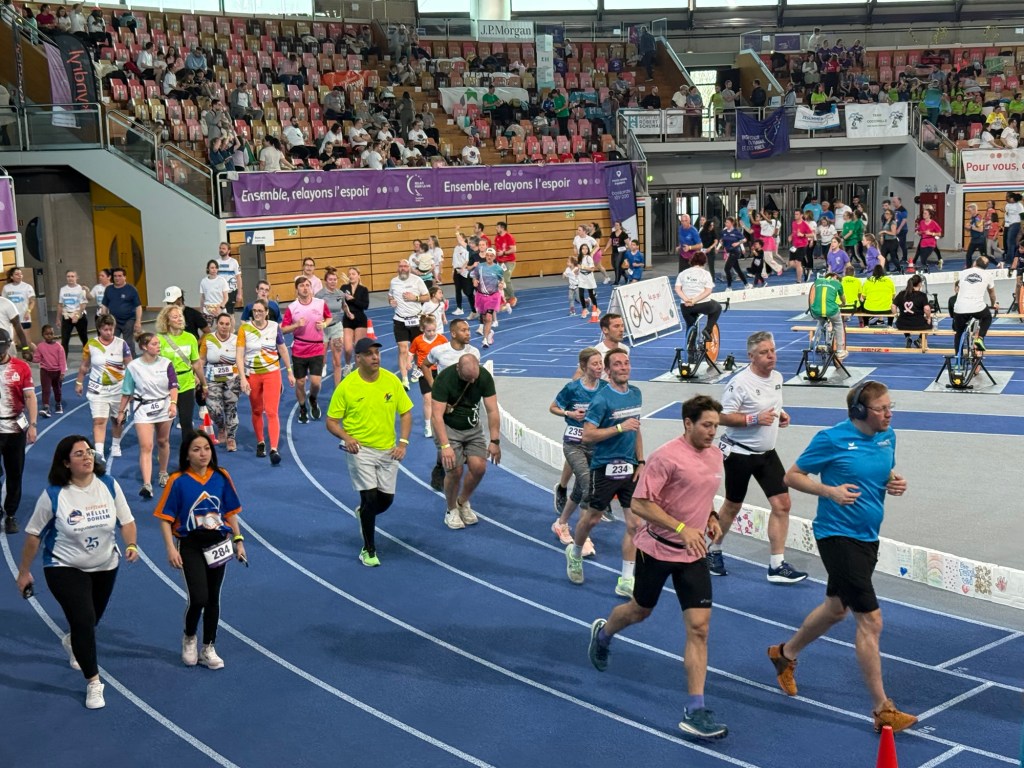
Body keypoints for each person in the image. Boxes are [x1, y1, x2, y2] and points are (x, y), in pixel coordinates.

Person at [768, 380, 917, 733]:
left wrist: (894, 481)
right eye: (881, 408)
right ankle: (882, 709)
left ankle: (784, 655)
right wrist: (828, 491)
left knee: (836, 609)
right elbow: (792, 476)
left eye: (890, 406)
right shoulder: (831, 439)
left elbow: (881, 470)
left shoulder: (887, 437)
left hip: (867, 536)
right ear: (860, 411)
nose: (889, 414)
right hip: (836, 536)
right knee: (871, 620)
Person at [587, 395, 727, 739]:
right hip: (657, 550)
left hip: (692, 553)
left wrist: (710, 516)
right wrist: (681, 527)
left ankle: (695, 709)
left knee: (699, 628)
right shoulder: (666, 457)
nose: (712, 432)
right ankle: (604, 634)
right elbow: (640, 504)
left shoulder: (715, 455)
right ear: (688, 423)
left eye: (716, 426)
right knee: (639, 611)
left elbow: (703, 492)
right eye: (706, 425)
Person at [16, 435, 138, 710]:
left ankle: (73, 641)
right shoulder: (54, 495)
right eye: (79, 453)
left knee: (91, 621)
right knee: (83, 620)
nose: (86, 457)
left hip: (105, 565)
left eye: (89, 452)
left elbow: (127, 521)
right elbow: (34, 535)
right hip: (63, 566)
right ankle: (94, 681)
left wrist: (131, 544)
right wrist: (24, 572)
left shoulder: (108, 485)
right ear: (65, 463)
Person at [707, 331, 808, 583]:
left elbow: (770, 404)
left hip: (767, 454)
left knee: (782, 504)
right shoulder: (740, 383)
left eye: (772, 350)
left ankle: (776, 565)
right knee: (732, 506)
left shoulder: (777, 377)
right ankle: (713, 550)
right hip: (739, 454)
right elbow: (721, 417)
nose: (771, 356)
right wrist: (754, 419)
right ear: (751, 356)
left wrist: (781, 413)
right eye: (764, 352)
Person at [155, 431, 244, 670]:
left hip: (218, 543)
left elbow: (230, 512)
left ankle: (209, 647)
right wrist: (171, 549)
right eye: (196, 449)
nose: (203, 454)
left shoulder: (221, 476)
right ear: (187, 454)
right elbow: (165, 518)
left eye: (206, 448)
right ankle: (189, 636)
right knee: (198, 597)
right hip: (191, 545)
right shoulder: (178, 481)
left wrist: (238, 540)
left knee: (213, 597)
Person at [326, 337, 413, 566]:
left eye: (377, 353)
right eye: (369, 354)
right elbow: (331, 421)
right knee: (370, 497)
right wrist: (347, 438)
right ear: (358, 358)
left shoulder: (391, 381)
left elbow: (406, 412)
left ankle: (364, 512)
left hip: (388, 450)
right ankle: (369, 549)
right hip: (360, 450)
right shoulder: (347, 386)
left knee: (385, 500)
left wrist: (403, 443)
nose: (375, 357)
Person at [564, 348, 643, 597]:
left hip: (630, 467)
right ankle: (575, 552)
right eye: (617, 364)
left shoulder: (636, 393)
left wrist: (641, 460)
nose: (623, 367)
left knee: (635, 523)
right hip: (604, 467)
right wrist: (619, 428)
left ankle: (627, 579)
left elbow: (636, 429)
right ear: (608, 371)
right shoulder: (601, 399)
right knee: (592, 519)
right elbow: (588, 435)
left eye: (626, 363)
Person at [430, 354, 500, 531]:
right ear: (458, 369)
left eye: (474, 378)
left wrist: (494, 440)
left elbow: (492, 410)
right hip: (449, 428)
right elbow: (436, 416)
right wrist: (445, 446)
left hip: (472, 428)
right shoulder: (444, 379)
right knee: (455, 470)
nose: (472, 381)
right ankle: (451, 509)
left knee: (479, 467)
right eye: (468, 378)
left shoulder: (483, 377)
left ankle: (462, 502)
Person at [549, 348, 605, 556]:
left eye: (601, 363)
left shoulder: (606, 388)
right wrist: (570, 413)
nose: (599, 367)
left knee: (580, 490)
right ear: (583, 366)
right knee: (588, 484)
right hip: (574, 443)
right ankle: (584, 538)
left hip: (595, 445)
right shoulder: (572, 388)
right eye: (595, 364)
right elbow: (553, 407)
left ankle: (561, 523)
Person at [119, 332, 178, 500]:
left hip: (164, 407)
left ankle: (163, 472)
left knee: (163, 441)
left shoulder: (167, 363)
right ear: (144, 347)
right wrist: (121, 411)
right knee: (146, 446)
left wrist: (173, 404)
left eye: (159, 343)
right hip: (143, 409)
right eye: (154, 344)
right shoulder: (133, 367)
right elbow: (127, 391)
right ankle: (146, 484)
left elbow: (173, 386)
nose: (159, 346)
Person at [236, 299, 294, 465]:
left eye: (260, 311)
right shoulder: (244, 329)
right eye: (254, 311)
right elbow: (239, 354)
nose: (257, 314)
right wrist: (242, 378)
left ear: (267, 312)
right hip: (253, 374)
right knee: (256, 410)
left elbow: (282, 349)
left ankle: (274, 449)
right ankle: (261, 441)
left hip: (272, 373)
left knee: (271, 411)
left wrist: (289, 371)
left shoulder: (274, 327)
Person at [0, 328, 37, 533]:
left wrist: (33, 425)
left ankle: (11, 514)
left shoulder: (21, 367)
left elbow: (30, 397)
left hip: (15, 428)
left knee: (15, 473)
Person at [281, 276, 331, 424]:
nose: (305, 288)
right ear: (297, 289)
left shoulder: (320, 303)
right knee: (301, 382)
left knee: (316, 382)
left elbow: (329, 317)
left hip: (316, 348)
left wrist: (324, 324)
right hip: (299, 350)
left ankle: (313, 399)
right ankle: (303, 408)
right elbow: (283, 329)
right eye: (301, 286)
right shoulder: (292, 308)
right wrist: (296, 325)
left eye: (307, 285)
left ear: (311, 287)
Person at [156, 305, 206, 439]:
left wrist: (204, 384)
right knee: (165, 424)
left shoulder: (190, 338)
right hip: (165, 385)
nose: (179, 319)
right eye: (175, 317)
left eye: (180, 316)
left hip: (186, 384)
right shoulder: (159, 339)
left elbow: (196, 363)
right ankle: (163, 446)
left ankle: (187, 449)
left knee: (186, 422)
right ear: (167, 320)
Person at [199, 313, 240, 451]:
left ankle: (231, 438)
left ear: (231, 325)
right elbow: (201, 359)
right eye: (221, 323)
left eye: (227, 324)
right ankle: (221, 427)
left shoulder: (236, 339)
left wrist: (244, 377)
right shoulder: (208, 339)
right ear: (217, 324)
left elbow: (241, 359)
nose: (224, 326)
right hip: (213, 379)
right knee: (213, 409)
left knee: (231, 408)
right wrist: (197, 377)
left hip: (232, 379)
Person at [389, 259, 429, 388]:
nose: (403, 268)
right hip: (400, 320)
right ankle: (404, 378)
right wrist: (391, 301)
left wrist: (415, 298)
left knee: (417, 349)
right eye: (400, 266)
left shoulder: (417, 280)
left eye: (405, 266)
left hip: (416, 320)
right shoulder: (393, 281)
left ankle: (418, 369)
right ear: (398, 268)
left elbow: (427, 297)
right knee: (402, 349)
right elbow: (390, 295)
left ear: (409, 268)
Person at [952, 256, 998, 353]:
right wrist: (993, 304)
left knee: (959, 333)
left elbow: (958, 288)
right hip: (977, 308)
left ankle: (957, 356)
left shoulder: (963, 273)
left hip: (960, 307)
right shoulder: (988, 275)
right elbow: (992, 295)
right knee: (987, 317)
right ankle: (980, 338)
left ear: (974, 263)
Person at [675, 252, 724, 341]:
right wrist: (694, 300)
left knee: (690, 325)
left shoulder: (683, 273)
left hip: (685, 306)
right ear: (704, 262)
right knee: (717, 308)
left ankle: (689, 347)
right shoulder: (706, 274)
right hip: (702, 304)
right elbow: (708, 291)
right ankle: (707, 330)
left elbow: (677, 289)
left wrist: (686, 300)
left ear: (691, 261)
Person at [317, 267, 349, 386]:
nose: (333, 282)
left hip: (336, 327)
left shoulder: (340, 294)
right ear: (326, 281)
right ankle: (322, 369)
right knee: (321, 358)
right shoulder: (319, 295)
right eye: (330, 279)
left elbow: (344, 305)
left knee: (337, 361)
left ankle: (337, 388)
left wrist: (348, 312)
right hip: (323, 328)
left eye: (335, 279)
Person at [101, 268, 143, 354]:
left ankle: (131, 359)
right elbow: (104, 305)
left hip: (129, 320)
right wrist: (103, 320)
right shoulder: (109, 289)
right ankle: (114, 359)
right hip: (113, 320)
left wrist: (138, 322)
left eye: (120, 276)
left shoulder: (131, 289)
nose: (117, 278)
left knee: (128, 342)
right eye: (115, 276)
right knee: (112, 341)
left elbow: (138, 306)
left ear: (125, 277)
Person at [808, 272, 849, 358]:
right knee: (838, 325)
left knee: (821, 322)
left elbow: (813, 295)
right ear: (835, 276)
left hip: (816, 310)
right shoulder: (837, 283)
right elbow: (843, 298)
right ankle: (840, 350)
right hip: (831, 310)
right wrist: (843, 303)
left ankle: (814, 341)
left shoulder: (818, 281)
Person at [471, 247, 504, 348]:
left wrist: (501, 284)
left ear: (494, 257)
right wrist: (474, 281)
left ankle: (484, 340)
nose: (489, 257)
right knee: (484, 319)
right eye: (487, 255)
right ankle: (490, 333)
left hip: (492, 296)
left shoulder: (498, 269)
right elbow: (474, 276)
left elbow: (501, 280)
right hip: (481, 296)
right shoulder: (480, 267)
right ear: (485, 256)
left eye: (491, 256)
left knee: (489, 318)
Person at [340, 267, 370, 378]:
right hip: (348, 319)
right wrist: (347, 312)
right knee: (348, 348)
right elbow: (341, 303)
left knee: (358, 348)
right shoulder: (344, 288)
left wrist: (352, 299)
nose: (351, 276)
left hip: (360, 319)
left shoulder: (363, 289)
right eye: (350, 274)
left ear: (358, 275)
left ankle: (358, 370)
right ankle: (348, 364)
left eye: (353, 274)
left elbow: (365, 305)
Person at [34, 325, 67, 418]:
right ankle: (46, 407)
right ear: (43, 335)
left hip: (57, 372)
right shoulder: (40, 346)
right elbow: (37, 358)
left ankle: (58, 403)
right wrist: (30, 358)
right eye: (47, 334)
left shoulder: (59, 347)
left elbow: (62, 361)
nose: (49, 336)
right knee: (46, 390)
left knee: (57, 389)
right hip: (45, 371)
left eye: (51, 334)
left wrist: (62, 373)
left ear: (54, 334)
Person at [893, 274, 932, 349]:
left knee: (904, 319)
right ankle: (920, 339)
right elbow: (927, 309)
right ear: (920, 284)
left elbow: (893, 306)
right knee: (929, 323)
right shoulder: (922, 295)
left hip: (902, 324)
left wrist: (896, 315)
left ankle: (907, 337)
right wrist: (928, 317)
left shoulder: (902, 294)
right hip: (918, 324)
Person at [57, 270, 91, 356]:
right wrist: (58, 318)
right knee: (65, 340)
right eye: (68, 276)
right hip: (67, 316)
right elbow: (60, 305)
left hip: (79, 316)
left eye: (72, 276)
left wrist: (77, 315)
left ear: (76, 278)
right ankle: (63, 360)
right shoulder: (63, 289)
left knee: (84, 338)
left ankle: (88, 357)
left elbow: (83, 304)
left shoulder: (81, 289)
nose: (70, 278)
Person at [3, 267, 36, 331]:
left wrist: (28, 311)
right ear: (11, 277)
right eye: (17, 274)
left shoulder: (27, 287)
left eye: (20, 274)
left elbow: (32, 301)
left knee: (25, 336)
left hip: (24, 317)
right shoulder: (6, 288)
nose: (19, 276)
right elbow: (4, 303)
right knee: (13, 336)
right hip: (11, 318)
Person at [494, 221, 518, 310]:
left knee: (506, 279)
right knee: (501, 280)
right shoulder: (497, 237)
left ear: (502, 228)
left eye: (497, 227)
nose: (496, 228)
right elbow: (497, 249)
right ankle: (506, 297)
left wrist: (503, 253)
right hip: (500, 262)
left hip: (509, 261)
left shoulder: (509, 237)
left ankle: (512, 297)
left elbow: (514, 249)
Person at [214, 243, 242, 313]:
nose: (221, 250)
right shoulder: (216, 262)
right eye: (220, 248)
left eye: (223, 248)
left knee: (230, 313)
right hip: (219, 293)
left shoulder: (234, 262)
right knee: (219, 313)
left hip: (231, 292)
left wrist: (239, 293)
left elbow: (238, 278)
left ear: (229, 251)